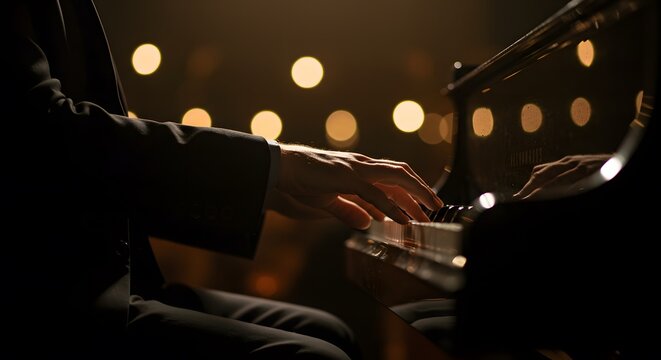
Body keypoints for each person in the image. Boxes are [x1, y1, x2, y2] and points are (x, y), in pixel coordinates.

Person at [2, 1, 443, 358]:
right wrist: (275, 165)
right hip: (46, 296)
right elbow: (42, 136)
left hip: (97, 278)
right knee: (315, 354)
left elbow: (82, 165)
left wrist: (269, 188)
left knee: (332, 331)